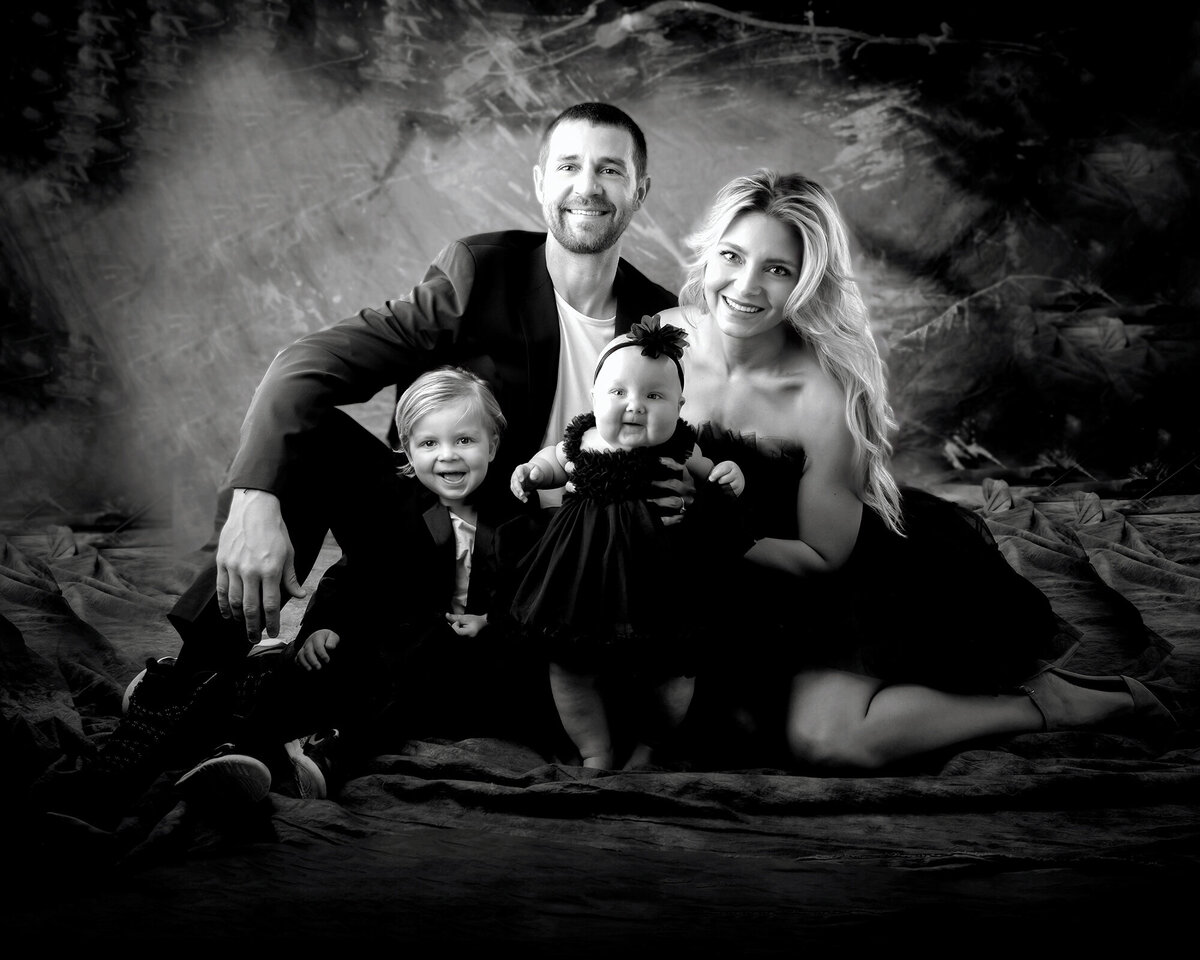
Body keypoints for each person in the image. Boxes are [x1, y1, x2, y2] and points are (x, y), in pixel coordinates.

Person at [31, 101, 692, 823]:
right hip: (427, 529)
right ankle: (175, 699)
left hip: (543, 573)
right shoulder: (483, 271)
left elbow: (693, 454)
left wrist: (684, 492)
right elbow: (305, 367)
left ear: (641, 190)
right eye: (569, 166)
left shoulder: (665, 325)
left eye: (609, 169)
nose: (587, 186)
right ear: (539, 182)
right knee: (308, 441)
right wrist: (255, 496)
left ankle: (270, 741)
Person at [659, 169, 1176, 772]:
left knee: (828, 742)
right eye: (733, 255)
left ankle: (1052, 705)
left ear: (807, 284)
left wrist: (715, 535)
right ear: (710, 251)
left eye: (778, 270)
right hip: (703, 573)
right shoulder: (665, 340)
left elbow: (825, 559)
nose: (746, 286)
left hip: (826, 580)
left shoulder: (823, 399)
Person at [176, 367, 546, 803]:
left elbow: (533, 592)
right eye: (429, 443)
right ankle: (241, 748)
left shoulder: (517, 517)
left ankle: (329, 754)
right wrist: (323, 625)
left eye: (464, 440)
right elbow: (350, 575)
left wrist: (491, 623)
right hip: (389, 635)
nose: (448, 456)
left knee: (407, 684)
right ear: (408, 450)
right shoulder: (399, 508)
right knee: (322, 662)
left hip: (462, 655)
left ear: (493, 445)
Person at [509, 315, 745, 770]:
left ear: (680, 406)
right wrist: (532, 473)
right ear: (594, 397)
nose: (634, 405)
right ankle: (595, 749)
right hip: (580, 580)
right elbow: (552, 462)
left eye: (653, 396)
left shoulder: (680, 447)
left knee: (673, 675)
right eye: (618, 393)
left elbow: (713, 472)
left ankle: (651, 747)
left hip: (659, 581)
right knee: (570, 669)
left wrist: (730, 474)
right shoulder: (583, 440)